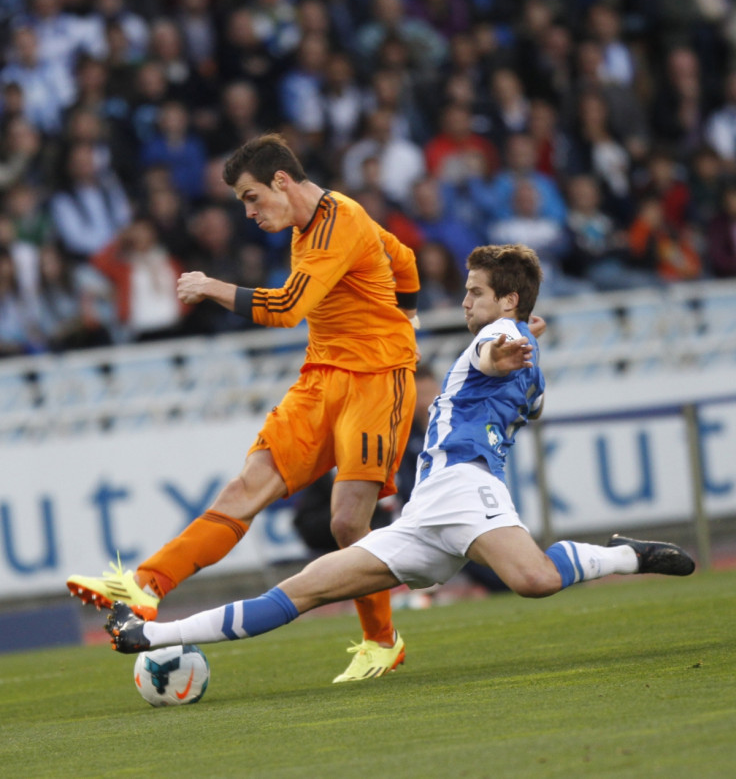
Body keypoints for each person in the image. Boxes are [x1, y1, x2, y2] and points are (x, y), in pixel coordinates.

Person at [105, 244, 695, 674]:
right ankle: (150, 635)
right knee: (304, 590)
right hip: (422, 512)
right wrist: (516, 344)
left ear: (508, 300)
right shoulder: (507, 347)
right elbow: (516, 380)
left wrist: (511, 341)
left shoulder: (498, 342)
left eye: (475, 292)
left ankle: (625, 555)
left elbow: (497, 353)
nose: (464, 301)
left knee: (534, 579)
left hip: (468, 487)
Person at [67, 132, 421, 683]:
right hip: (321, 377)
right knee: (246, 487)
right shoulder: (312, 225)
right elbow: (403, 259)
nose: (249, 212)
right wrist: (412, 309)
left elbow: (284, 309)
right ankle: (143, 585)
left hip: (376, 381)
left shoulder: (337, 222)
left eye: (252, 197)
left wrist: (211, 286)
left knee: (348, 524)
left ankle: (382, 641)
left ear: (282, 180)